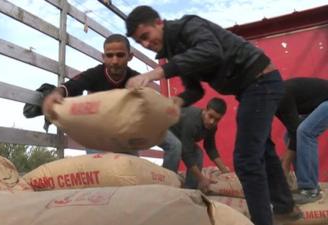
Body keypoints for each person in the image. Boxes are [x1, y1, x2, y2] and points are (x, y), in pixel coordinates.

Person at [124, 6, 301, 225]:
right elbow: (195, 90)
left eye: (145, 36)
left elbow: (211, 51)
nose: (146, 44)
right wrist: (177, 102)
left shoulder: (189, 25)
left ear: (158, 23)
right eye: (139, 42)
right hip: (250, 89)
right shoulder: (174, 53)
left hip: (261, 81)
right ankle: (285, 208)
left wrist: (158, 72)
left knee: (246, 160)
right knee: (262, 149)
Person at [39, 33, 182, 172]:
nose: (114, 61)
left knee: (174, 145)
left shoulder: (136, 78)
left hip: (127, 132)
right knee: (102, 172)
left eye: (120, 55)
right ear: (103, 57)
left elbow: (150, 106)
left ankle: (167, 183)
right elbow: (71, 86)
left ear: (129, 57)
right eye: (109, 55)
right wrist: (56, 94)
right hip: (100, 134)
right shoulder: (94, 74)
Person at [276, 77, 328, 204]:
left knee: (305, 132)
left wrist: (285, 164)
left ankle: (310, 189)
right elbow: (292, 130)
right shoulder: (272, 103)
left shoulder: (280, 96)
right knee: (288, 136)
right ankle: (304, 185)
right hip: (320, 103)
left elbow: (296, 130)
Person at [170, 97, 230, 192]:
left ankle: (190, 191)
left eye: (217, 119)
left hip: (180, 135)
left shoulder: (212, 127)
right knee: (175, 146)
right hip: (165, 127)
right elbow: (186, 153)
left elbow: (210, 147)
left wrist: (226, 172)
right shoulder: (192, 121)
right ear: (205, 110)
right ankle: (167, 184)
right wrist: (202, 178)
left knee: (198, 153)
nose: (212, 122)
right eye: (210, 116)